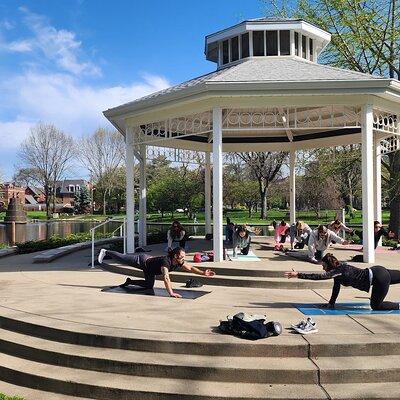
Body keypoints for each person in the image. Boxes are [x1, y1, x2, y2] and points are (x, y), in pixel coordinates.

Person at [285, 253, 400, 310]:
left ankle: (398, 306)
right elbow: (336, 287)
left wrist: (298, 274)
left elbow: (319, 277)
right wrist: (331, 303)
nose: (323, 268)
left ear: (329, 265)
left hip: (379, 278)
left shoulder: (337, 271)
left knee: (376, 305)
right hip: (378, 271)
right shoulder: (339, 271)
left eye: (324, 265)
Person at [98, 247, 215, 298]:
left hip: (150, 270)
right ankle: (106, 251)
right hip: (142, 261)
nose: (183, 259)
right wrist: (171, 293)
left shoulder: (179, 261)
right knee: (123, 258)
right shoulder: (166, 262)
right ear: (175, 256)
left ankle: (130, 281)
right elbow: (166, 277)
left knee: (149, 285)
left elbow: (190, 268)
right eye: (182, 256)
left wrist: (203, 273)